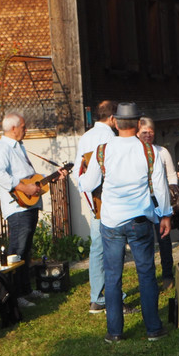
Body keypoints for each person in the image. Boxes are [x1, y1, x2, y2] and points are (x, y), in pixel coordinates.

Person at [79, 102, 172, 343]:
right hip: (140, 219)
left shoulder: (102, 151)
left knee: (112, 276)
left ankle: (115, 332)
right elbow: (160, 187)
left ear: (117, 123)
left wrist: (80, 181)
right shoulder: (149, 151)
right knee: (146, 273)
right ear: (138, 123)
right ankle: (153, 329)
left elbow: (88, 184)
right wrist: (165, 215)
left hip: (111, 221)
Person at [0, 112, 67, 309]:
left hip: (28, 207)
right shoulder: (3, 148)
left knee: (25, 252)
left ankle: (25, 290)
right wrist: (23, 188)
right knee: (16, 253)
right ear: (13, 128)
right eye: (23, 126)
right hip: (17, 208)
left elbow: (30, 178)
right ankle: (14, 296)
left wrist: (51, 178)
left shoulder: (19, 146)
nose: (26, 129)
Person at [75, 100, 117, 314]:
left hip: (92, 197)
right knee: (111, 248)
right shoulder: (110, 137)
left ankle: (96, 296)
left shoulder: (86, 136)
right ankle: (107, 296)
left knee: (97, 248)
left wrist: (87, 195)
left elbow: (78, 170)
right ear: (112, 118)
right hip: (107, 197)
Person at [138, 117, 178, 288]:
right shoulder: (135, 153)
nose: (148, 135)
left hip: (160, 201)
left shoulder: (162, 152)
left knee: (164, 239)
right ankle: (148, 278)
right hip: (142, 202)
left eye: (151, 132)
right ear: (137, 133)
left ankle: (167, 275)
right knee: (145, 242)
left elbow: (172, 175)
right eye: (144, 132)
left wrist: (173, 194)